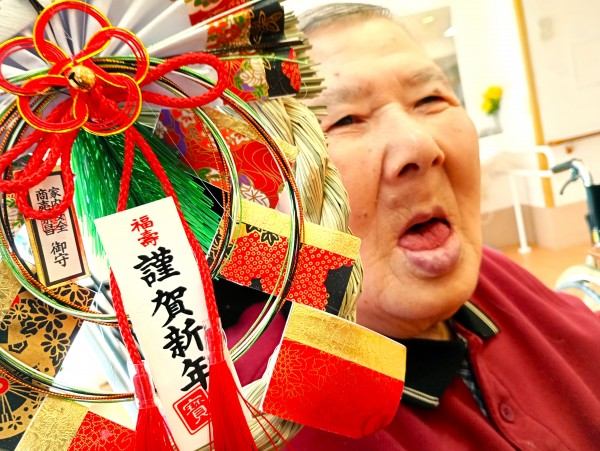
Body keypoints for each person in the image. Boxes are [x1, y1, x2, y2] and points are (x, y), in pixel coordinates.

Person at [268, 3, 600, 450]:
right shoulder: (282, 415)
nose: (420, 145)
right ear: (268, 192)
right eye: (346, 119)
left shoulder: (493, 274)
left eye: (430, 100)